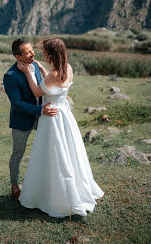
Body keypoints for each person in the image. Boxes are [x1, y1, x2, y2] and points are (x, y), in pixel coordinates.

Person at [17, 38, 104, 218]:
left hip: (52, 117)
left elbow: (37, 92)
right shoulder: (68, 68)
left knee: (53, 153)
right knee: (70, 152)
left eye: (45, 51)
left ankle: (53, 195)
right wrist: (42, 70)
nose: (43, 54)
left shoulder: (53, 75)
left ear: (51, 54)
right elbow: (54, 85)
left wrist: (27, 73)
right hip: (65, 114)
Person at [3, 38, 58, 201]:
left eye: (32, 49)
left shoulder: (34, 65)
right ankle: (14, 185)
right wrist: (41, 110)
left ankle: (48, 182)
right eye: (27, 52)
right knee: (18, 154)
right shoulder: (10, 76)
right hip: (22, 121)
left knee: (50, 147)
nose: (33, 53)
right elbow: (17, 103)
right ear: (18, 57)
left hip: (42, 117)